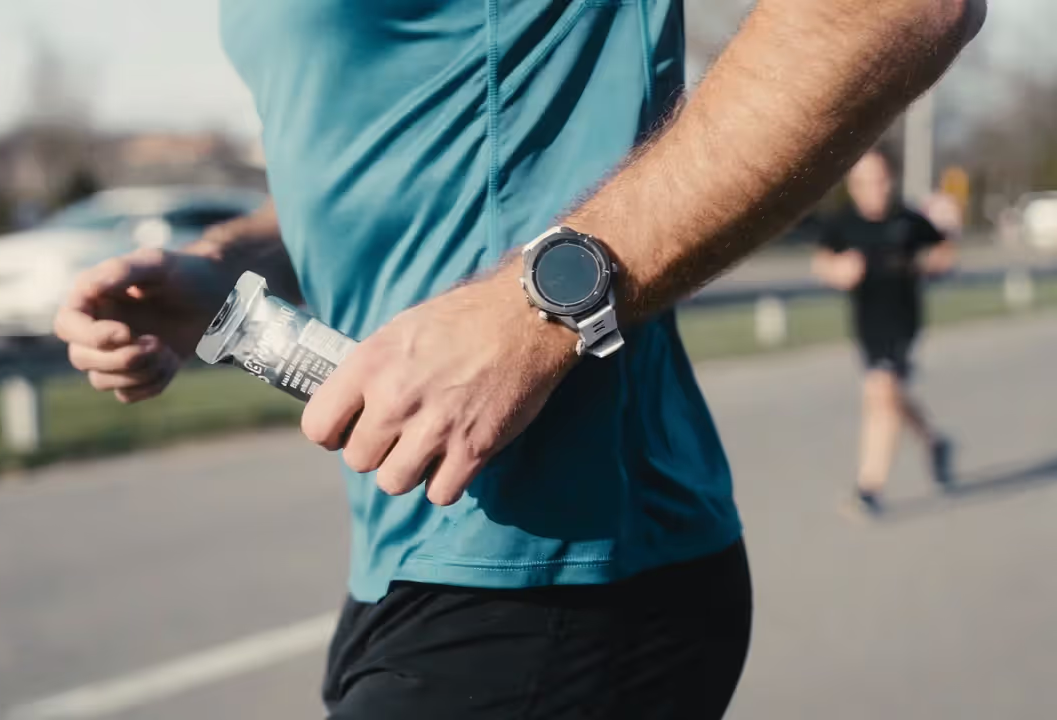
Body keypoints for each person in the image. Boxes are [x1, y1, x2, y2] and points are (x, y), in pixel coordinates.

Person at [54, 1, 985, 717]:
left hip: (570, 563)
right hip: (406, 559)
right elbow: (399, 154)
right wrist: (231, 263)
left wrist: (530, 312)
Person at [813, 149, 958, 516]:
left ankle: (870, 487)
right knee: (890, 394)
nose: (873, 189)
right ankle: (935, 441)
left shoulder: (908, 220)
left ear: (891, 180)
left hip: (903, 323)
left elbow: (944, 251)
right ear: (852, 185)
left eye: (879, 181)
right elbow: (821, 261)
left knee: (880, 393)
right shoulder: (843, 223)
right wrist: (837, 270)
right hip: (867, 325)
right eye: (864, 182)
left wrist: (931, 263)